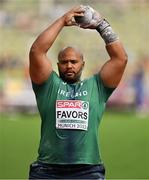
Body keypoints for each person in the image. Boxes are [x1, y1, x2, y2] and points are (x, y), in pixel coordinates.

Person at [28, 5, 127, 179]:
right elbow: (37, 51)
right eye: (64, 62)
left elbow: (120, 58)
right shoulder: (48, 86)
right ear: (58, 65)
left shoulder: (97, 87)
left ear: (83, 64)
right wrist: (62, 21)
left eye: (74, 61)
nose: (69, 65)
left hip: (88, 171)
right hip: (47, 170)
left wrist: (101, 25)